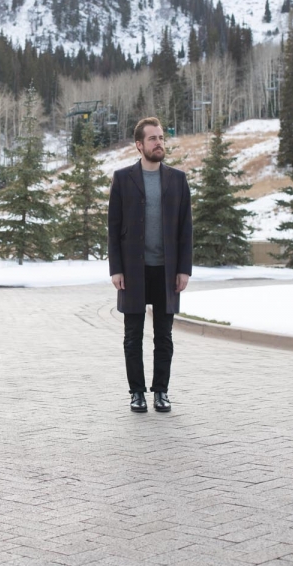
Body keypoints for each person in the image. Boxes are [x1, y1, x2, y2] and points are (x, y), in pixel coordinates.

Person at [108, 117, 192, 413]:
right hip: (133, 271)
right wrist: (116, 269)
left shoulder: (178, 179)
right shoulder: (123, 178)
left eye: (161, 138)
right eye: (153, 138)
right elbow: (113, 228)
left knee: (164, 336)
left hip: (166, 271)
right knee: (133, 336)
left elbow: (186, 229)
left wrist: (184, 269)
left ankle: (161, 391)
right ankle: (137, 393)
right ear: (139, 145)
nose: (159, 143)